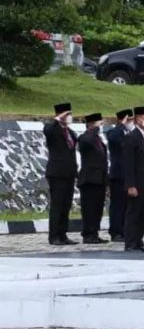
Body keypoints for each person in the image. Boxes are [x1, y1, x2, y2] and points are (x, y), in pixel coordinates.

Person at [44, 102, 79, 246]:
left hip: (69, 172)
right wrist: (58, 119)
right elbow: (49, 132)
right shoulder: (52, 128)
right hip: (57, 173)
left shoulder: (70, 132)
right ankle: (54, 236)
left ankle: (63, 234)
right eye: (67, 114)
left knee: (66, 205)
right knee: (57, 205)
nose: (69, 117)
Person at [123, 106, 144, 252]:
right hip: (137, 183)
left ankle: (139, 240)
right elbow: (128, 163)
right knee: (134, 213)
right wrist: (131, 185)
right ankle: (130, 242)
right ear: (137, 119)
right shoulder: (131, 137)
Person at [77, 113, 109, 244]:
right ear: (90, 124)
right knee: (89, 208)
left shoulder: (98, 139)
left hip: (100, 179)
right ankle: (88, 233)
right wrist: (92, 130)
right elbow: (85, 141)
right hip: (89, 179)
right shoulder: (85, 138)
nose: (99, 126)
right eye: (97, 123)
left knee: (97, 208)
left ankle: (94, 232)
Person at [106, 109, 133, 242]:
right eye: (129, 120)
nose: (130, 123)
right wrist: (121, 124)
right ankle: (116, 231)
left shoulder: (129, 133)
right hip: (118, 175)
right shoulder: (114, 132)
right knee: (118, 205)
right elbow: (114, 138)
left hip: (128, 175)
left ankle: (124, 230)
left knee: (127, 205)